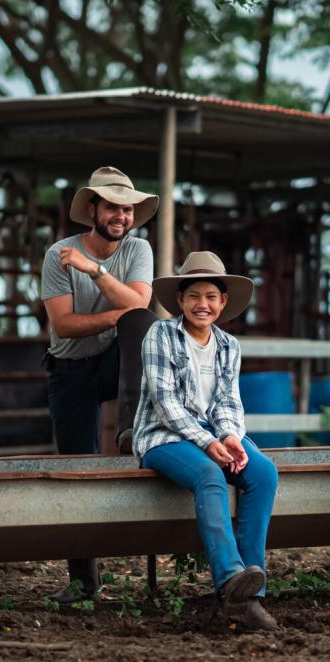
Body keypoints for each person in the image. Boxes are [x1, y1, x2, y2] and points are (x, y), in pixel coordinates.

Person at [133, 251, 278, 630]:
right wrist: (206, 442)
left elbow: (229, 401)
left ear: (223, 303)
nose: (203, 304)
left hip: (212, 433)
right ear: (180, 301)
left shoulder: (229, 345)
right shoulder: (160, 335)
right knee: (209, 476)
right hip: (163, 435)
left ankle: (249, 593)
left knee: (263, 473)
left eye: (211, 297)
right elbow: (165, 404)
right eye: (194, 296)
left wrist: (230, 436)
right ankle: (231, 579)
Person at [41, 166, 159, 603]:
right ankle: (83, 580)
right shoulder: (59, 253)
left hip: (117, 362)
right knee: (76, 464)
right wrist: (118, 312)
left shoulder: (138, 250)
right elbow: (65, 325)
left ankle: (130, 425)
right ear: (93, 208)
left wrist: (94, 272)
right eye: (111, 207)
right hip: (69, 366)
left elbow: (141, 307)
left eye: (127, 209)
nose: (120, 216)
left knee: (142, 324)